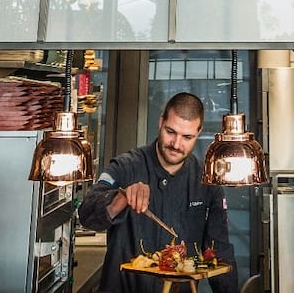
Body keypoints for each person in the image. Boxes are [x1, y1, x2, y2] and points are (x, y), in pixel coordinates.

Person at [78, 92, 237, 292]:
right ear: (161, 122)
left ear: (199, 132)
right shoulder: (126, 165)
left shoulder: (206, 181)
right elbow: (86, 215)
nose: (177, 144)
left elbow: (219, 249)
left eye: (187, 137)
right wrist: (121, 198)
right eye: (171, 132)